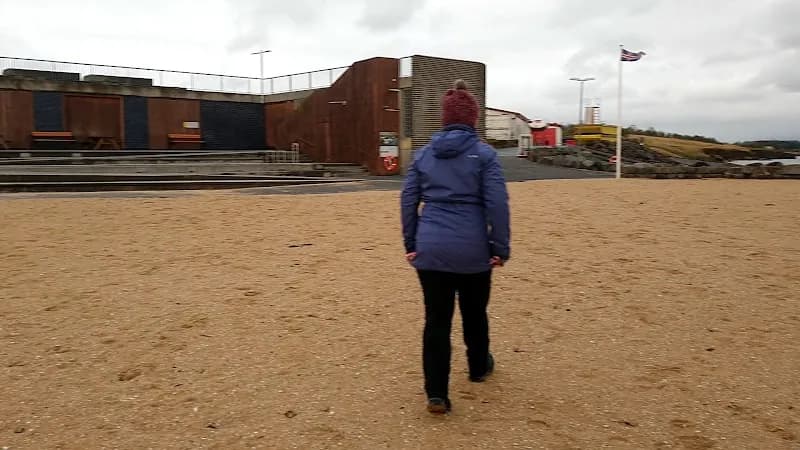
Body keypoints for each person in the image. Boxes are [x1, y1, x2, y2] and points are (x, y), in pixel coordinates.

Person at [401, 79, 511, 415]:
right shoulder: (485, 155)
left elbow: (408, 200)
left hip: (431, 249)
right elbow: (497, 204)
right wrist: (500, 247)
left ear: (445, 119)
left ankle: (436, 393)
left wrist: (411, 242)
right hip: (473, 249)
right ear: (473, 119)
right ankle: (478, 366)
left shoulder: (423, 155)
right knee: (475, 313)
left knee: (436, 320)